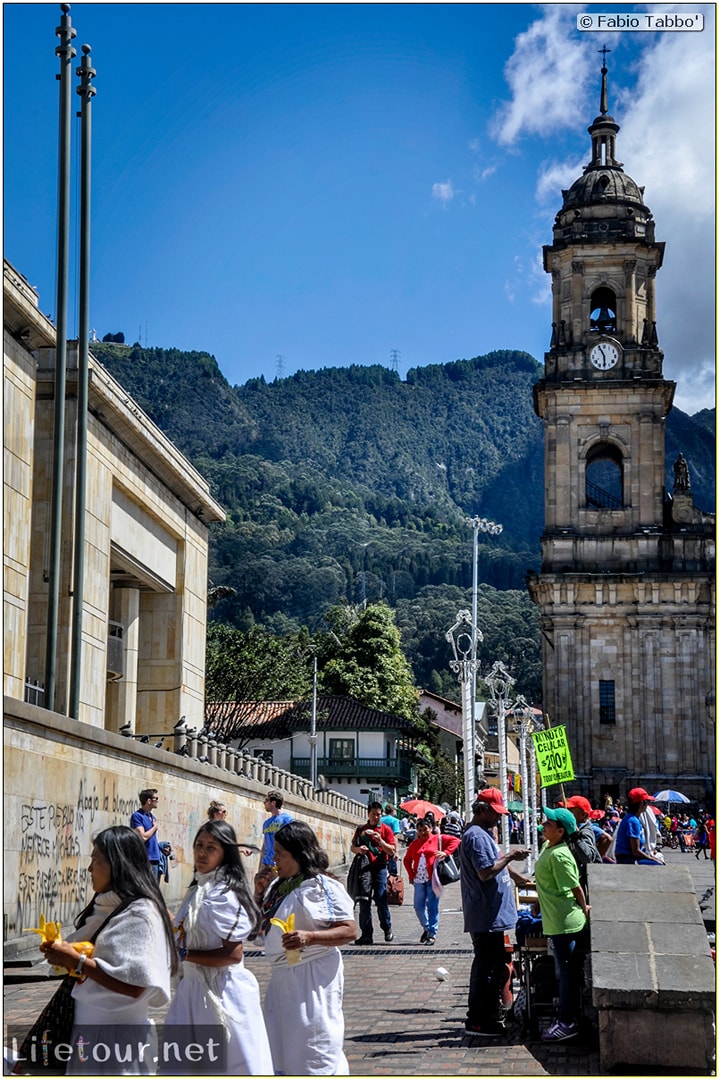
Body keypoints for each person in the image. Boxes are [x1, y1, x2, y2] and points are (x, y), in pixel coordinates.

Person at [39, 826, 176, 1075]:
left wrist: (76, 960)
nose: (90, 869)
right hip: (89, 1035)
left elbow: (135, 984)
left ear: (116, 864)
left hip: (119, 1042)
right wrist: (63, 955)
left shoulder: (140, 914)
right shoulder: (107, 908)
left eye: (95, 860)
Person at [163, 819, 273, 1074]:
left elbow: (232, 955)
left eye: (211, 847)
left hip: (221, 994)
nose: (202, 852)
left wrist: (185, 954)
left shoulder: (223, 894)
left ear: (225, 854)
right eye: (199, 845)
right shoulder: (199, 888)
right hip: (191, 991)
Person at [261, 821, 357, 1074]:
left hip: (312, 980)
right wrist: (258, 895)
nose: (274, 858)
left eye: (280, 853)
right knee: (282, 1046)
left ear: (298, 853)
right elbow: (261, 930)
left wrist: (310, 937)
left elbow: (348, 930)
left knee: (313, 1042)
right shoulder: (278, 887)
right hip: (282, 982)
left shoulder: (322, 887)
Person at [459, 789, 531, 1037]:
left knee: (494, 965)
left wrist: (519, 878)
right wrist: (512, 856)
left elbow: (497, 863)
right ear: (482, 809)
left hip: (491, 915)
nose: (498, 818)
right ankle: (479, 1019)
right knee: (486, 968)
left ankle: (487, 1013)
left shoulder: (484, 834)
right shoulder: (477, 836)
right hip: (485, 914)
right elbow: (485, 871)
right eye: (495, 813)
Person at [534, 807, 591, 1042]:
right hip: (555, 919)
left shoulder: (559, 854)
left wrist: (585, 908)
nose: (545, 825)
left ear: (561, 831)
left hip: (565, 922)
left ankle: (567, 1022)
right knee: (565, 973)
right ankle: (569, 1018)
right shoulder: (549, 847)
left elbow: (575, 887)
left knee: (566, 975)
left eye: (550, 823)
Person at [403, 815, 460, 945]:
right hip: (419, 879)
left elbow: (456, 841)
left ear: (431, 828)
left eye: (425, 829)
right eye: (420, 830)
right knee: (418, 906)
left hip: (433, 878)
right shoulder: (414, 844)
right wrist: (411, 874)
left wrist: (446, 852)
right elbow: (407, 860)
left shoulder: (437, 839)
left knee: (432, 907)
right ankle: (427, 927)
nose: (423, 832)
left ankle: (432, 934)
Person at [351, 801, 397, 944]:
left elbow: (392, 850)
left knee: (380, 898)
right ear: (368, 814)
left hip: (380, 867)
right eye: (373, 814)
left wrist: (381, 841)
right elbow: (353, 846)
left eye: (378, 814)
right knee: (364, 899)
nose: (376, 817)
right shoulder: (361, 829)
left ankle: (387, 927)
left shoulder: (385, 830)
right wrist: (359, 850)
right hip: (364, 868)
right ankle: (366, 934)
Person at [254, 790, 293, 902]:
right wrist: (260, 865)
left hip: (279, 865)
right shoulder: (266, 823)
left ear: (273, 803)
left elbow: (290, 841)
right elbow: (265, 844)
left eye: (266, 800)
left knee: (279, 895)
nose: (264, 802)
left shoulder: (287, 820)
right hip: (267, 864)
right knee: (263, 894)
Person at [564, 796, 603, 893]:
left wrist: (576, 837)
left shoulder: (585, 831)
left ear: (583, 815)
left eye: (570, 811)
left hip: (578, 883)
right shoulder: (567, 830)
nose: (567, 813)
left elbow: (588, 857)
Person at [614, 789, 664, 865]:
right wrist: (651, 858)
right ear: (641, 804)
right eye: (646, 802)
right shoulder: (633, 821)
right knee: (659, 864)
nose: (648, 805)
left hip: (628, 857)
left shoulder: (630, 818)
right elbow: (635, 851)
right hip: (628, 859)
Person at [130, 788, 162, 879]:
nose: (157, 801)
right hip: (145, 860)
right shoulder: (137, 816)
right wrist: (154, 828)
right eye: (156, 798)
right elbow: (142, 837)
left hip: (155, 859)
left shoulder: (153, 817)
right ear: (148, 801)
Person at [381, 804, 402, 874]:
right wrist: (396, 852)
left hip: (381, 846)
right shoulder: (394, 821)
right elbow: (394, 836)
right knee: (392, 873)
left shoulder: (380, 820)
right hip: (390, 847)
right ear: (392, 811)